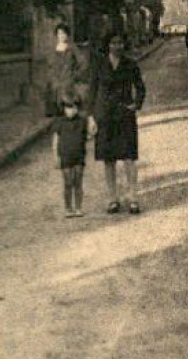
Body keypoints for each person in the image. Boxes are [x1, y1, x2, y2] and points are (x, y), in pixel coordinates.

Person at [91, 33, 147, 214]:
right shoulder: (99, 65)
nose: (117, 46)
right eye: (114, 43)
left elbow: (140, 87)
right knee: (109, 159)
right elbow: (92, 91)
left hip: (125, 115)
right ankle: (112, 198)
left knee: (129, 157)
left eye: (121, 42)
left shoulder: (130, 64)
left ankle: (133, 198)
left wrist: (136, 104)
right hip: (105, 117)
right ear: (107, 45)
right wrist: (91, 117)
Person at [52, 89, 90, 218]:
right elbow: (56, 139)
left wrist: (92, 133)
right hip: (65, 156)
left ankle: (78, 208)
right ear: (63, 108)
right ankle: (68, 208)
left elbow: (87, 136)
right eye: (68, 107)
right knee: (67, 182)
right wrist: (56, 156)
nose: (71, 110)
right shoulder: (60, 122)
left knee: (78, 182)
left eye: (74, 107)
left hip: (79, 156)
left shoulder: (82, 121)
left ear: (78, 108)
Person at [43, 22, 87, 117]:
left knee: (68, 111)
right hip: (54, 83)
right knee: (55, 112)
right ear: (56, 35)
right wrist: (51, 77)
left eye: (63, 33)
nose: (61, 36)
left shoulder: (72, 48)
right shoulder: (52, 49)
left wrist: (75, 75)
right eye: (59, 33)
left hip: (67, 83)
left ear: (67, 35)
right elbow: (49, 65)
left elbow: (83, 63)